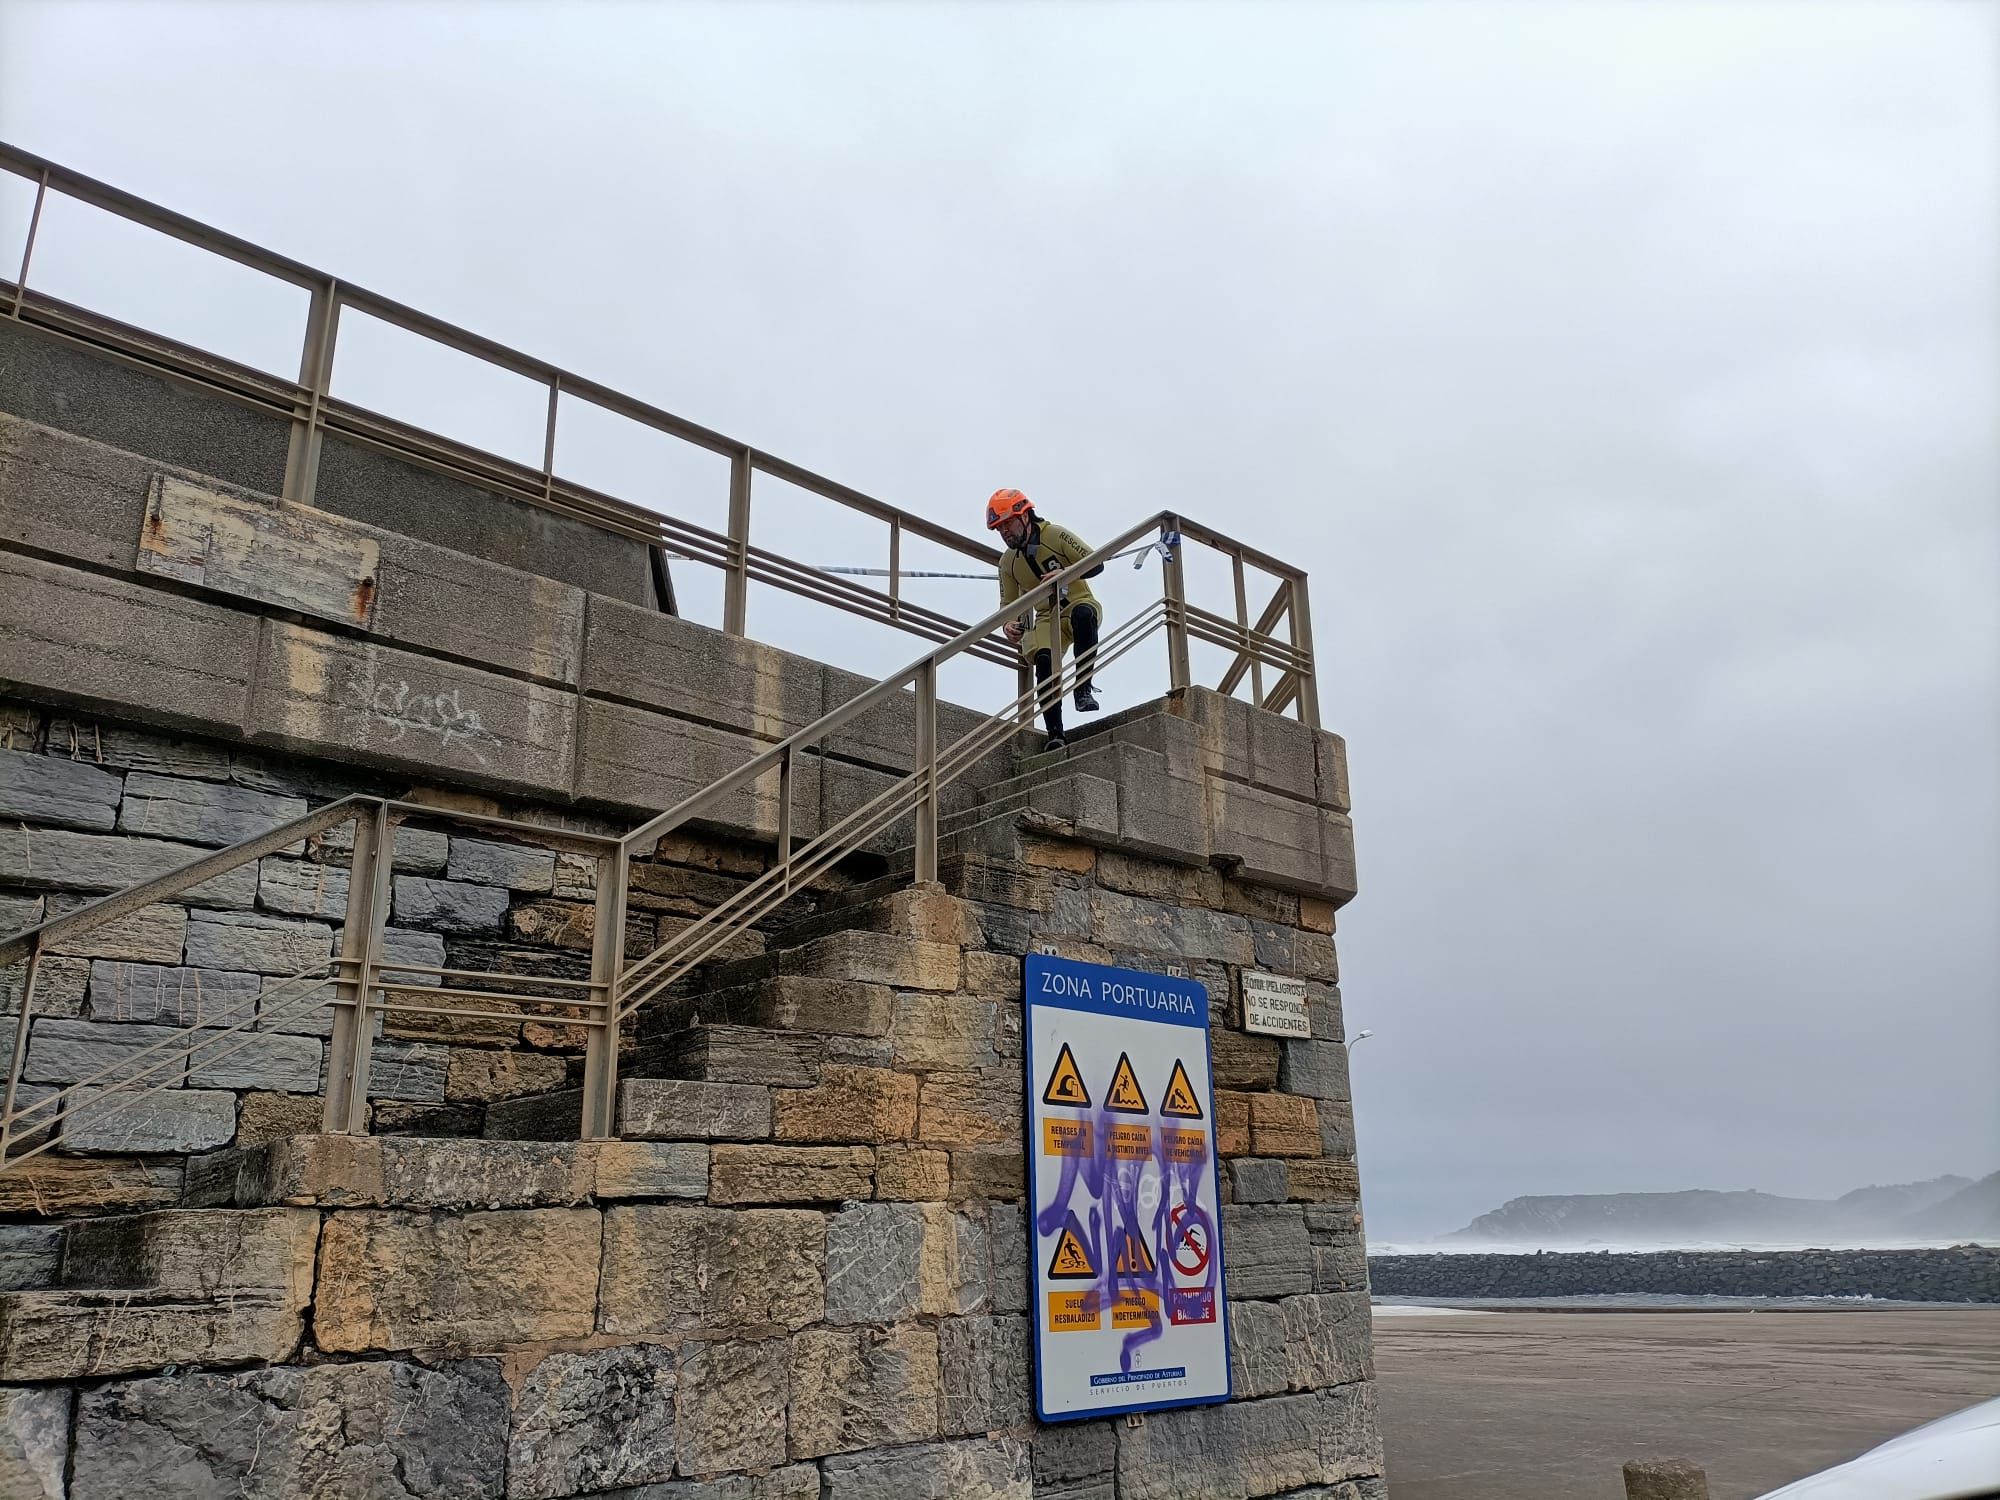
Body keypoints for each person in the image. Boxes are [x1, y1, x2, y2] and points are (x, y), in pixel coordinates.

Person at [987, 488, 1101, 749]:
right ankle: (1055, 734)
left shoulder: (1054, 535)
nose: (1004, 533)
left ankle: (1083, 688)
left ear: (1025, 516)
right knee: (1044, 659)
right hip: (1047, 617)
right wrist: (1007, 624)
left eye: (1007, 524)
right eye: (999, 529)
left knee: (1085, 615)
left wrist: (1067, 573)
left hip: (1077, 601)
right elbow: (1008, 605)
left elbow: (1096, 563)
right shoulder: (1007, 563)